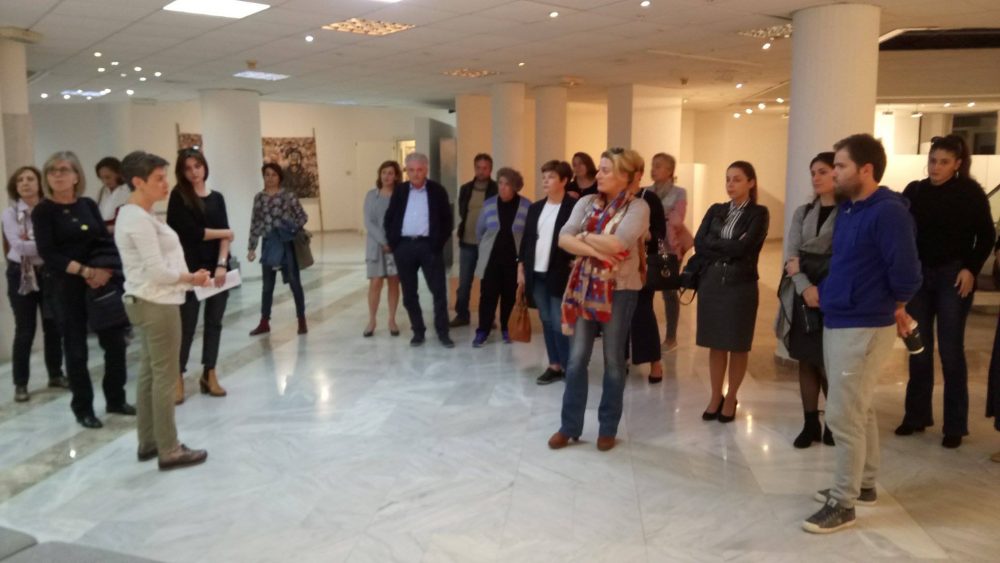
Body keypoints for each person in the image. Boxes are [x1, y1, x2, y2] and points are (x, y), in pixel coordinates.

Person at [802, 134, 921, 534]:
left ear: (866, 169)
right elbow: (847, 264)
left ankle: (843, 502)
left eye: (840, 166)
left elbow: (907, 274)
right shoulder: (852, 209)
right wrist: (830, 292)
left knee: (843, 414)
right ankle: (864, 484)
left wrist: (893, 305)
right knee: (860, 406)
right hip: (841, 318)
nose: (834, 173)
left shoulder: (888, 213)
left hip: (864, 325)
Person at [548, 148, 650, 452]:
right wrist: (594, 248)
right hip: (584, 287)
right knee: (576, 359)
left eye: (606, 170)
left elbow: (619, 243)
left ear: (625, 176)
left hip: (621, 289)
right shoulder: (585, 202)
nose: (599, 175)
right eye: (600, 169)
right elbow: (563, 238)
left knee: (614, 361)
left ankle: (607, 427)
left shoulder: (638, 207)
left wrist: (582, 238)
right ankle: (569, 426)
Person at [896, 135, 995, 449]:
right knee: (918, 348)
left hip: (953, 276)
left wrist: (970, 268)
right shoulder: (915, 191)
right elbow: (902, 232)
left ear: (957, 164)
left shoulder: (970, 193)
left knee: (951, 351)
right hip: (919, 278)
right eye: (932, 160)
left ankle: (955, 424)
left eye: (943, 162)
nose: (935, 167)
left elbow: (986, 235)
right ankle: (916, 415)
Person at [116, 150, 210, 470]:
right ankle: (169, 447)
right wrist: (191, 278)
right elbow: (157, 271)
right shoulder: (137, 218)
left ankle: (149, 441)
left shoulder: (139, 215)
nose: (165, 183)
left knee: (149, 373)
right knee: (165, 376)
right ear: (138, 182)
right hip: (157, 302)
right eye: (158, 178)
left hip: (148, 300)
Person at [33, 151, 132, 429]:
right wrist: (86, 272)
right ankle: (83, 408)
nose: (58, 175)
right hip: (66, 286)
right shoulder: (43, 210)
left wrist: (103, 271)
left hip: (100, 284)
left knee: (115, 343)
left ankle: (116, 398)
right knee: (76, 350)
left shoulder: (87, 204)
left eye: (64, 170)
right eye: (52, 171)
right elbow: (49, 253)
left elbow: (103, 240)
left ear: (76, 176)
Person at [693, 161, 769, 424]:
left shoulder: (759, 213)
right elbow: (699, 242)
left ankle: (731, 397)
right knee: (716, 344)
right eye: (728, 179)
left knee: (737, 344)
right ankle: (716, 395)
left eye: (737, 179)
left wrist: (717, 244)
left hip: (740, 284)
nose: (730, 184)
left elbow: (745, 248)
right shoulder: (716, 209)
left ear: (751, 182)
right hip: (712, 282)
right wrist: (729, 244)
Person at [777, 152, 839, 448]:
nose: (816, 177)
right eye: (813, 172)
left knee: (828, 362)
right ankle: (810, 422)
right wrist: (804, 286)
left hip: (833, 294)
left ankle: (834, 423)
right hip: (802, 294)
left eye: (823, 171)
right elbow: (791, 257)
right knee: (806, 359)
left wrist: (816, 282)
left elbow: (842, 259)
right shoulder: (803, 213)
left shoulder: (848, 213)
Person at [166, 149, 234, 405]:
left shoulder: (217, 198)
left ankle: (209, 373)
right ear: (181, 172)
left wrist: (221, 265)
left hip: (216, 268)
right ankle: (177, 376)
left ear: (205, 166)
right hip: (190, 270)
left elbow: (226, 236)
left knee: (214, 322)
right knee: (187, 325)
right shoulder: (179, 197)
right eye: (188, 168)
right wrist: (224, 232)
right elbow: (190, 233)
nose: (194, 172)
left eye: (198, 166)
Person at [3, 166, 67, 402]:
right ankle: (20, 383)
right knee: (25, 330)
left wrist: (35, 241)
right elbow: (19, 247)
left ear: (40, 183)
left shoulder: (50, 209)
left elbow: (60, 242)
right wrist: (45, 243)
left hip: (48, 273)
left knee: (53, 326)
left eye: (30, 178)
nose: (25, 183)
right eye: (20, 180)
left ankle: (55, 374)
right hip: (20, 274)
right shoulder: (10, 214)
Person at [384, 152, 455, 348]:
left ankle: (443, 332)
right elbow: (390, 217)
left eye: (420, 170)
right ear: (407, 171)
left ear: (426, 170)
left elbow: (447, 221)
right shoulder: (400, 191)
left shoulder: (437, 191)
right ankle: (418, 331)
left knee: (438, 291)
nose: (415, 174)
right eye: (412, 170)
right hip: (404, 247)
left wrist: (437, 243)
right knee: (409, 294)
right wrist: (394, 243)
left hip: (428, 247)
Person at [518, 160, 576, 385]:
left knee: (558, 320)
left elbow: (580, 237)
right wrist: (521, 266)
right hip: (536, 272)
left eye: (551, 177)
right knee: (545, 318)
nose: (545, 181)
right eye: (544, 177)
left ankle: (569, 366)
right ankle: (554, 364)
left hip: (559, 272)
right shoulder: (535, 208)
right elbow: (527, 240)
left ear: (564, 180)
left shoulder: (573, 207)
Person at [247, 163, 309, 336]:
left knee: (294, 283)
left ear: (279, 177)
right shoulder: (259, 198)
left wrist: (291, 228)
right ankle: (264, 322)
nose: (270, 178)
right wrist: (252, 247)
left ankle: (301, 320)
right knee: (267, 286)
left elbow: (302, 216)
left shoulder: (288, 196)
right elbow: (255, 222)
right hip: (268, 244)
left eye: (274, 174)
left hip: (286, 243)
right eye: (267, 174)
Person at [472, 167, 531, 347]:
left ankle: (507, 328)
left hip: (514, 260)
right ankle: (483, 330)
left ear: (515, 187)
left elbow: (529, 234)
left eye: (507, 184)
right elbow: (479, 231)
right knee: (487, 296)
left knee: (509, 296)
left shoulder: (526, 206)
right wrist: (486, 247)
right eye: (500, 183)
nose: (503, 187)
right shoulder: (489, 204)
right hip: (491, 259)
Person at [629, 162, 667, 383]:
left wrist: (644, 234)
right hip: (618, 264)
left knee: (643, 311)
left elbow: (660, 232)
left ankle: (655, 362)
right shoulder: (614, 197)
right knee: (619, 314)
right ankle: (621, 358)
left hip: (643, 264)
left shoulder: (649, 198)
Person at [649, 153, 691, 351]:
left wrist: (656, 218)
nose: (653, 169)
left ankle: (671, 338)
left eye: (658, 166)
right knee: (646, 290)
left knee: (669, 291)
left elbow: (677, 219)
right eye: (653, 165)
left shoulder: (679, 192)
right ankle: (647, 337)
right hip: (649, 245)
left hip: (671, 247)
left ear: (670, 171)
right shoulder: (646, 191)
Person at [451, 153, 497, 327]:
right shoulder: (465, 189)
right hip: (467, 243)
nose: (481, 171)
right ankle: (462, 315)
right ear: (474, 168)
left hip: (488, 245)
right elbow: (462, 211)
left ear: (490, 169)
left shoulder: (496, 189)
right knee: (464, 283)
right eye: (478, 167)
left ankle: (488, 318)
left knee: (488, 284)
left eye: (485, 168)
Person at [363, 160, 402, 337]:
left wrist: (391, 242)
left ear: (396, 176)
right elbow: (369, 222)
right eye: (384, 172)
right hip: (376, 246)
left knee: (393, 281)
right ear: (380, 175)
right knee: (376, 282)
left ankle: (392, 319)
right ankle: (372, 320)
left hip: (394, 246)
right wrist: (383, 241)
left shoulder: (399, 196)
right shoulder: (372, 195)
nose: (387, 176)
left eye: (391, 173)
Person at [94, 156, 131, 233]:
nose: (105, 182)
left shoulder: (129, 191)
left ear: (118, 173)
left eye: (108, 177)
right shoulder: (102, 192)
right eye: (101, 178)